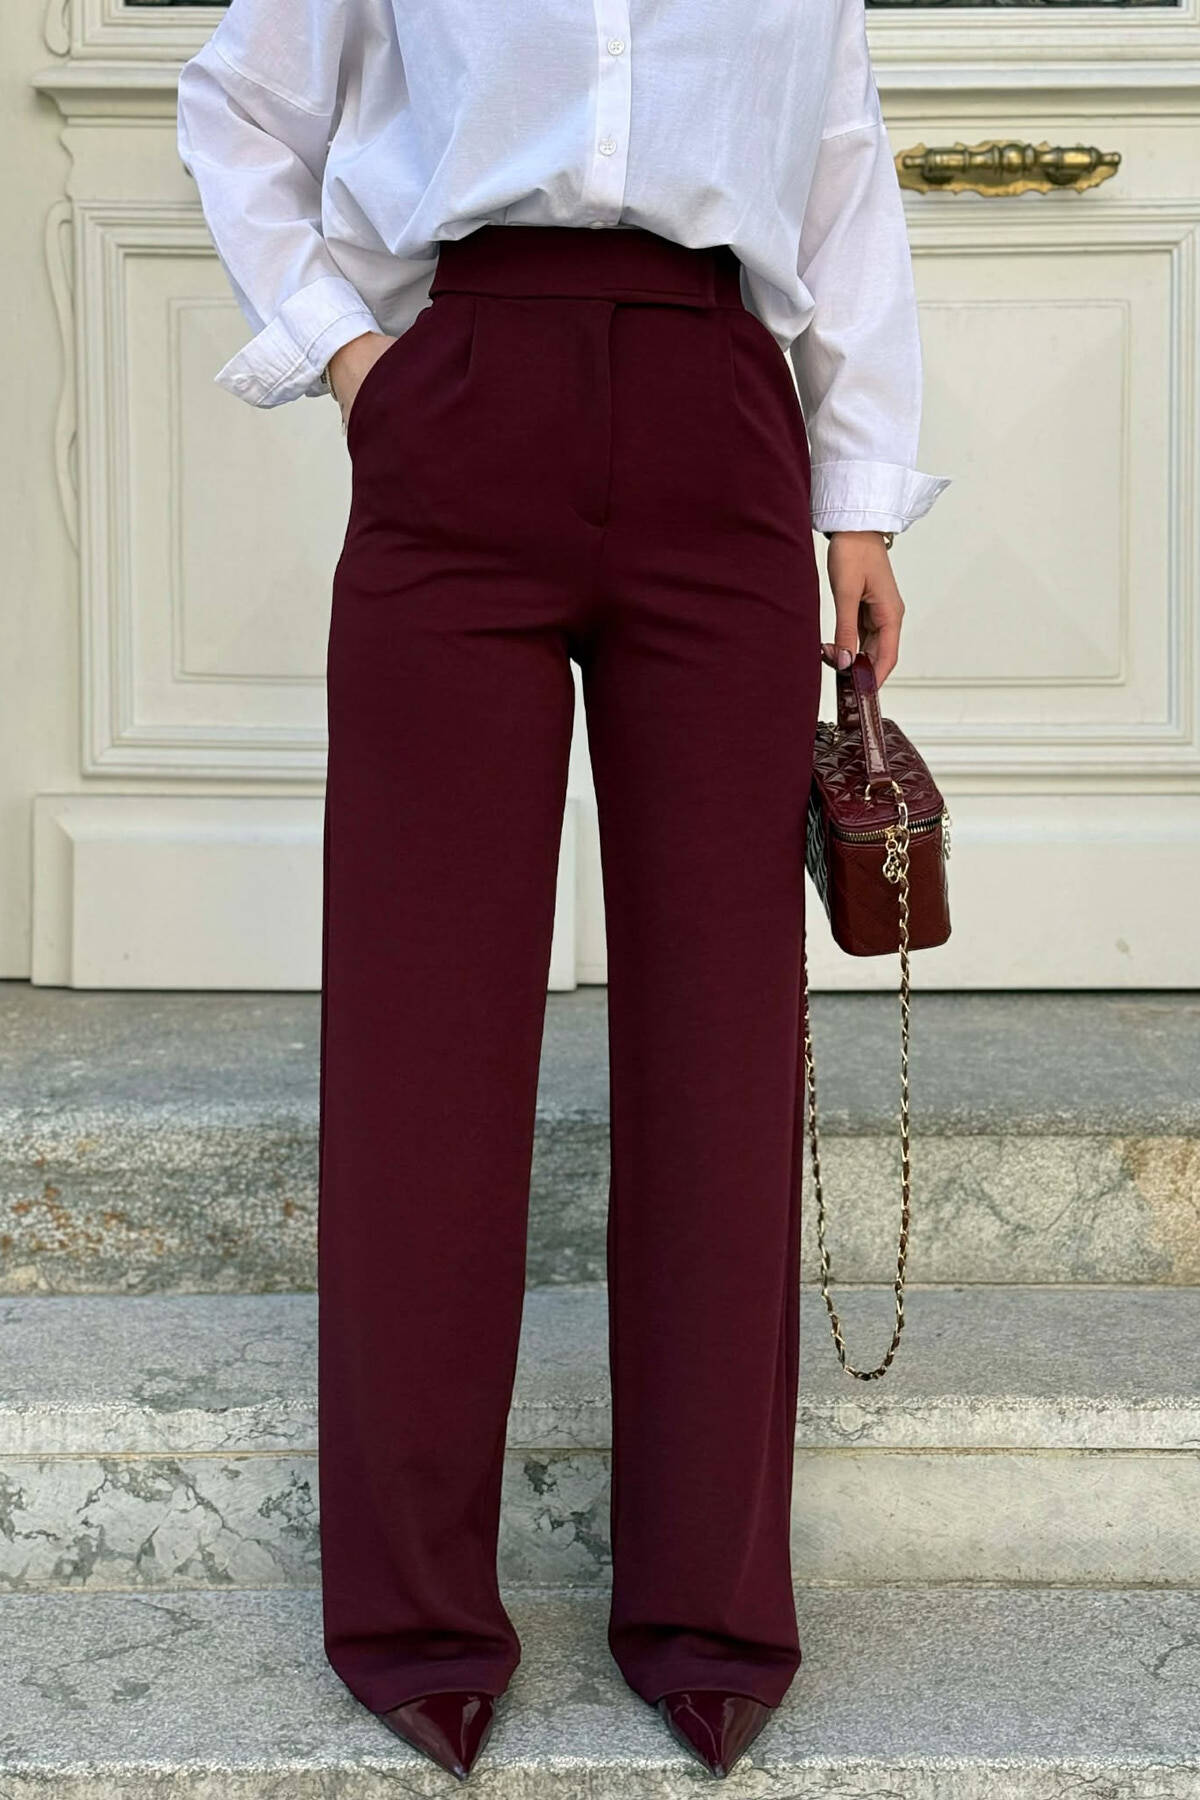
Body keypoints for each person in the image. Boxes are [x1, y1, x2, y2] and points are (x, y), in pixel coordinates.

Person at [176, 0, 951, 1781]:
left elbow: (841, 180)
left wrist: (860, 505)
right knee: (423, 1048)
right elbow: (238, 105)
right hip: (459, 408)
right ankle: (414, 1616)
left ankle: (709, 1612)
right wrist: (352, 362)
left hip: (719, 425)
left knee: (721, 1053)